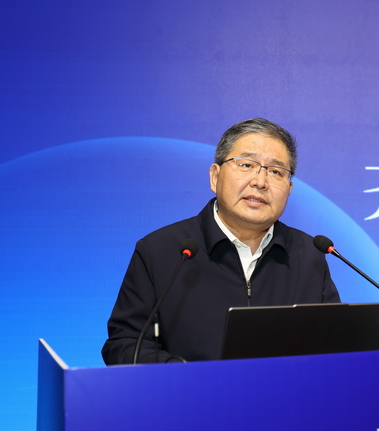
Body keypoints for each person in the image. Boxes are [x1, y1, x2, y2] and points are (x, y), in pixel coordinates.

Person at [102, 118, 341, 364]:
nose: (260, 182)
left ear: (289, 189)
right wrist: (184, 375)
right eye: (246, 165)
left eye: (276, 172)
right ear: (215, 177)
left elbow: (336, 344)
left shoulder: (310, 254)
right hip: (189, 388)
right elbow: (124, 344)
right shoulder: (161, 251)